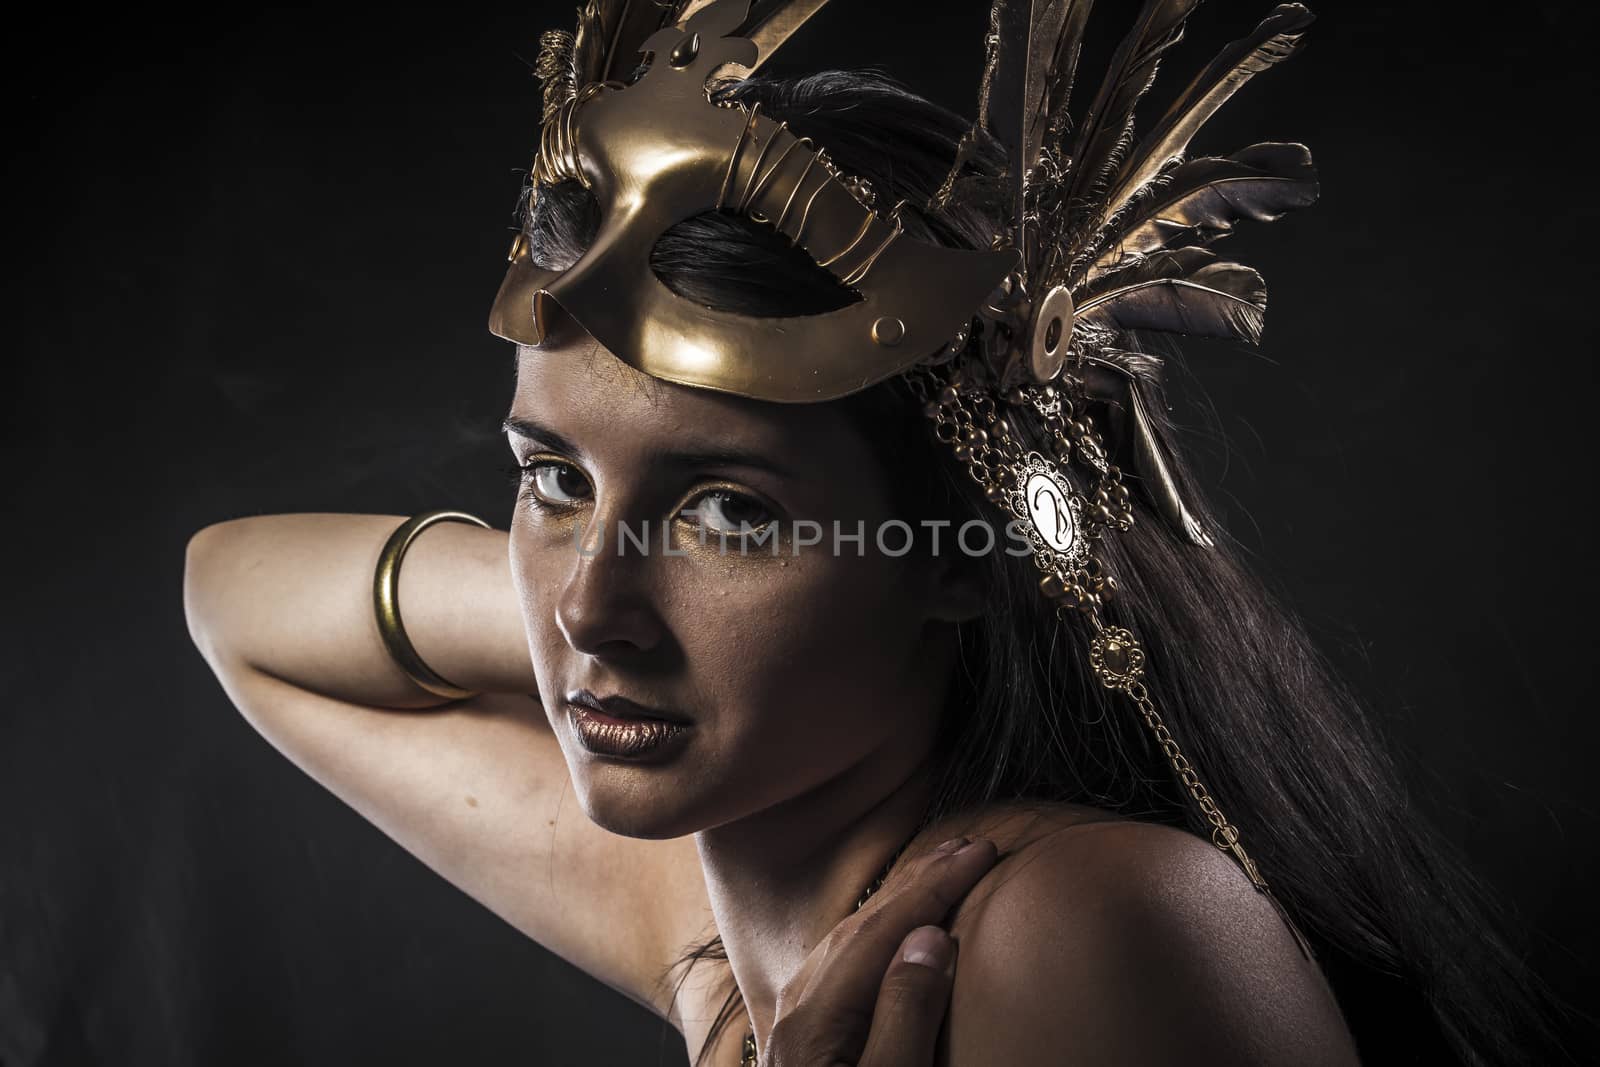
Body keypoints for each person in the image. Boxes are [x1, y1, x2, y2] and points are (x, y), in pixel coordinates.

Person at [184, 1, 1563, 1064]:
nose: (595, 602)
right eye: (554, 477)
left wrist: (581, 618)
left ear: (966, 554)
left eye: (728, 508)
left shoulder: (1081, 927)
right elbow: (230, 600)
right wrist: (575, 616)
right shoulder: (728, 915)